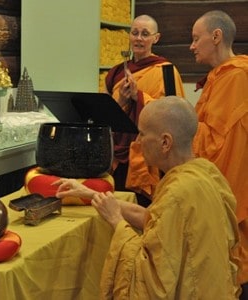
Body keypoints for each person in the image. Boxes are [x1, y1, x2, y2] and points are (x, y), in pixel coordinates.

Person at [54, 96, 241, 299]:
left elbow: (153, 277)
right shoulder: (207, 173)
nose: (138, 141)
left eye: (143, 134)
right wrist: (90, 194)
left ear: (165, 142)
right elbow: (154, 219)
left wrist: (117, 223)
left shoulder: (179, 191)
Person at [190, 10, 248, 297]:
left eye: (195, 38)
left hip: (230, 191)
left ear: (216, 36)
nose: (191, 46)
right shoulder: (218, 76)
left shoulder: (237, 77)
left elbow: (217, 144)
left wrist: (177, 127)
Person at [104, 14, 185, 207]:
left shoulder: (166, 71)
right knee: (117, 204)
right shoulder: (115, 72)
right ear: (129, 36)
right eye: (135, 33)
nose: (139, 38)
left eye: (145, 34)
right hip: (118, 153)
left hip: (148, 151)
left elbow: (174, 114)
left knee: (141, 208)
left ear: (155, 38)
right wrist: (122, 99)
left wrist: (138, 97)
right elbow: (106, 113)